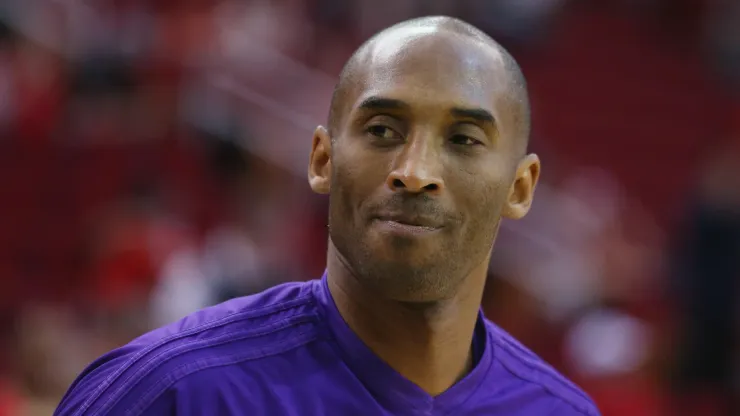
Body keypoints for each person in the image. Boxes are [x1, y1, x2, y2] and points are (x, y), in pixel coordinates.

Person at [55, 16, 600, 415]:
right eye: (383, 130)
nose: (414, 171)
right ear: (322, 159)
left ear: (521, 187)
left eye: (463, 139)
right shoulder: (169, 394)